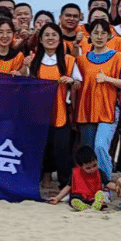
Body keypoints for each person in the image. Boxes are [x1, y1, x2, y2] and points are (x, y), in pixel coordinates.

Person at [74, 20, 121, 182]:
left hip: (108, 110)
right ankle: (88, 186)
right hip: (86, 111)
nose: (99, 37)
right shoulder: (82, 60)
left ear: (109, 36)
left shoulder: (118, 58)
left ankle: (105, 183)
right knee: (87, 151)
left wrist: (108, 79)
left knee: (100, 146)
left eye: (103, 33)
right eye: (96, 33)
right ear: (90, 36)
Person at [26, 23, 79, 193]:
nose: (50, 38)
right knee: (38, 151)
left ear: (60, 39)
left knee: (62, 151)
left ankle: (65, 187)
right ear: (40, 40)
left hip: (60, 113)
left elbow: (79, 83)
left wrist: (71, 81)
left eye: (54, 35)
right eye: (47, 35)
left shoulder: (69, 60)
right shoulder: (32, 60)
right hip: (37, 115)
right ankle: (33, 185)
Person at [48, 146, 105, 211]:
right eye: (88, 168)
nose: (92, 169)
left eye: (94, 165)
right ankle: (86, 207)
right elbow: (68, 186)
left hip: (93, 197)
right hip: (80, 197)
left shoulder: (100, 172)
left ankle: (95, 205)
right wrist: (57, 198)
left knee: (100, 194)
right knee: (74, 200)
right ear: (80, 166)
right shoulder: (75, 173)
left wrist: (115, 186)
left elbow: (108, 184)